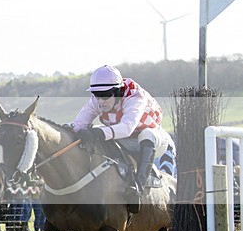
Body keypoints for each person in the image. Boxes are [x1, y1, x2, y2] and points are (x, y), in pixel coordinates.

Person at [71, 65, 174, 212]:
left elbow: (127, 127)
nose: (101, 101)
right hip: (123, 140)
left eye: (106, 95)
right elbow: (78, 125)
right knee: (95, 130)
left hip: (155, 141)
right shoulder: (97, 100)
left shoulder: (135, 97)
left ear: (118, 92)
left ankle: (137, 187)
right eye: (96, 94)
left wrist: (95, 133)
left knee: (146, 134)